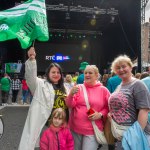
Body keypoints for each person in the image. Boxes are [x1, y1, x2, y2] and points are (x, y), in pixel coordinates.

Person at [18, 47, 68, 150]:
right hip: (47, 124)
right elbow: (30, 77)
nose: (56, 74)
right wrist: (32, 60)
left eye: (58, 72)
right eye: (53, 72)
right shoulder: (41, 84)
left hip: (62, 124)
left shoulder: (66, 87)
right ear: (48, 73)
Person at [108, 55, 150, 149]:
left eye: (124, 66)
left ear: (130, 67)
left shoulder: (138, 84)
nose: (121, 69)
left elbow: (144, 110)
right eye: (118, 68)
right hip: (120, 134)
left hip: (134, 135)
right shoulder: (120, 86)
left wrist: (135, 136)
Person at [66, 65, 110, 150]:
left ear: (97, 75)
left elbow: (108, 108)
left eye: (90, 73)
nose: (87, 75)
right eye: (85, 73)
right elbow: (69, 105)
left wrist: (100, 114)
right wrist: (71, 95)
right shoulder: (78, 88)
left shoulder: (104, 90)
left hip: (92, 130)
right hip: (75, 129)